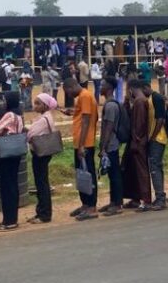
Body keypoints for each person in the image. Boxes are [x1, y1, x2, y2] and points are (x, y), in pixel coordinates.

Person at [64, 78, 99, 221]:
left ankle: (91, 206)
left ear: (72, 86)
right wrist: (72, 112)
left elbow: (86, 120)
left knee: (88, 174)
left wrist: (82, 145)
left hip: (85, 143)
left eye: (68, 92)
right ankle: (85, 204)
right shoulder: (84, 96)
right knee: (81, 174)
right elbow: (82, 115)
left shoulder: (84, 96)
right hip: (81, 142)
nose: (68, 95)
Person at [0, 92, 25, 231]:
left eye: (4, 101)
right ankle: (12, 218)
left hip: (6, 153)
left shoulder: (9, 116)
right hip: (16, 153)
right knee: (13, 185)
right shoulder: (19, 116)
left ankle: (9, 221)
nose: (2, 103)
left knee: (6, 187)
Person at [121, 80, 153, 211]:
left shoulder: (140, 102)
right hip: (137, 141)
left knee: (141, 171)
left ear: (131, 89)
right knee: (133, 170)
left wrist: (136, 141)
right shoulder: (139, 101)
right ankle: (136, 198)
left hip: (138, 142)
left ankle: (146, 200)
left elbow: (138, 125)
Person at [27, 93, 58, 223]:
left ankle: (45, 214)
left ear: (45, 105)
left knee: (42, 183)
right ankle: (40, 211)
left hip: (41, 153)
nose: (35, 106)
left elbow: (30, 134)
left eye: (38, 103)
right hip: (43, 152)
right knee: (41, 182)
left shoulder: (44, 119)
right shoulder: (45, 117)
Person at [98, 78, 125, 216]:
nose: (100, 87)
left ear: (109, 88)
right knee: (112, 174)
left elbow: (108, 128)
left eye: (102, 85)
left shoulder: (110, 106)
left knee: (114, 174)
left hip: (111, 145)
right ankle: (113, 201)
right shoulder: (112, 104)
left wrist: (103, 146)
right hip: (112, 143)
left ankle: (117, 204)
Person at [142, 81, 168, 210]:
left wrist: (152, 137)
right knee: (156, 167)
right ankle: (159, 197)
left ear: (146, 88)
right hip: (155, 138)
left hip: (158, 138)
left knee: (155, 168)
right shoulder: (151, 99)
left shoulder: (156, 98)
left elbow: (160, 119)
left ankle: (160, 198)